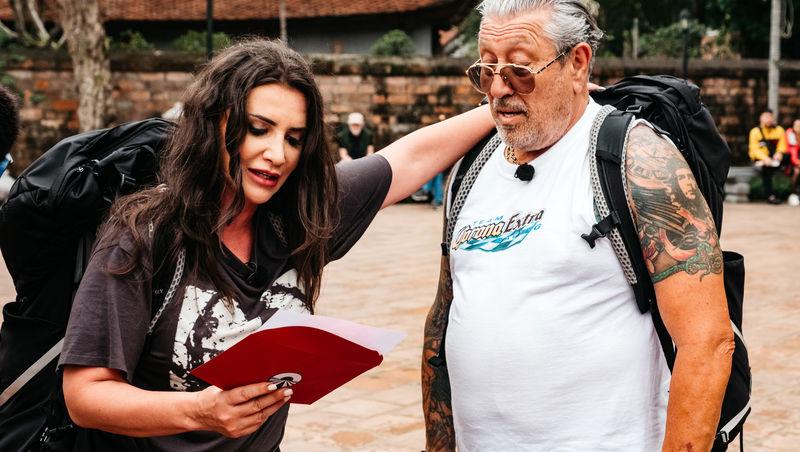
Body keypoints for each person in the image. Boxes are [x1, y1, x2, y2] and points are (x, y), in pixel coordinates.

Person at [58, 38, 494, 451]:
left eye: (293, 138)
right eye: (258, 129)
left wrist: (503, 101)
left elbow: (410, 157)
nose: (277, 154)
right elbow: (85, 395)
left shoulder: (301, 217)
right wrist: (198, 412)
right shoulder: (145, 233)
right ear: (214, 122)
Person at [422, 1, 734, 451]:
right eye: (485, 71)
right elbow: (443, 320)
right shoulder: (469, 169)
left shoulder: (636, 159)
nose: (499, 89)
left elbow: (707, 342)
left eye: (520, 70)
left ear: (577, 64)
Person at [749, 109, 786, 204]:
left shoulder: (779, 130)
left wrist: (780, 152)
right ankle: (770, 196)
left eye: (770, 116)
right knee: (767, 169)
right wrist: (765, 158)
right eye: (766, 116)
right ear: (760, 118)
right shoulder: (755, 132)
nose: (768, 119)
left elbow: (783, 144)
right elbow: (754, 150)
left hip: (777, 159)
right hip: (761, 161)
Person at [785, 119, 800, 205]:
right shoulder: (790, 134)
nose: (799, 127)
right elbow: (793, 152)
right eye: (797, 125)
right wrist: (798, 163)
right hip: (790, 159)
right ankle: (793, 194)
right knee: (797, 172)